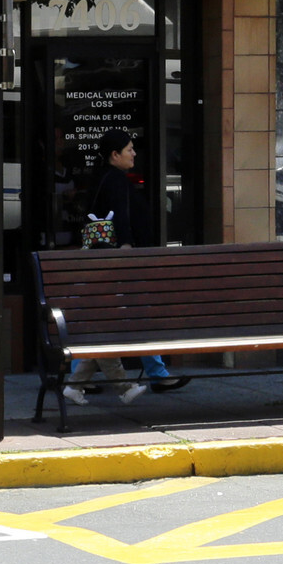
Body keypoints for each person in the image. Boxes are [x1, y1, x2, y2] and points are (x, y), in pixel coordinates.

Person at [66, 129, 181, 405]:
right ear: (114, 155)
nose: (134, 153)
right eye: (129, 149)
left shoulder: (105, 178)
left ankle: (152, 373)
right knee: (133, 315)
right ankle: (152, 374)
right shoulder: (115, 180)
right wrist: (127, 246)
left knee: (123, 317)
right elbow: (122, 215)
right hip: (119, 261)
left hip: (110, 260)